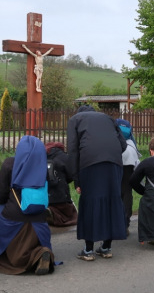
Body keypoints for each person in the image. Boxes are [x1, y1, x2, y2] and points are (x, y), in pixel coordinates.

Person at [0, 136, 54, 275]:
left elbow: (1, 193)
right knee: (36, 228)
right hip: (39, 217)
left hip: (14, 216)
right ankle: (41, 252)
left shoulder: (9, 163)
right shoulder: (42, 166)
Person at [67, 105, 127, 261]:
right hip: (114, 163)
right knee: (112, 201)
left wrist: (76, 179)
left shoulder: (75, 120)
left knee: (90, 201)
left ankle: (88, 250)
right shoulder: (108, 118)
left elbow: (73, 151)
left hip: (90, 162)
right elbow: (123, 145)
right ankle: (106, 247)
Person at [44, 141, 78, 227]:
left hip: (45, 195)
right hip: (61, 195)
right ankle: (54, 216)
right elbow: (71, 174)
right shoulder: (64, 157)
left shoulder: (41, 157)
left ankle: (49, 212)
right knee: (70, 216)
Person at [116, 118, 141, 233]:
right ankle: (125, 222)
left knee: (116, 192)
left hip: (116, 157)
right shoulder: (130, 139)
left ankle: (116, 222)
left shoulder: (114, 129)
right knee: (127, 192)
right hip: (130, 158)